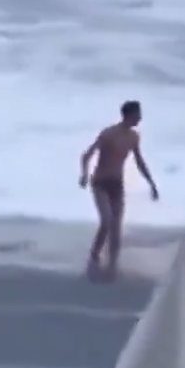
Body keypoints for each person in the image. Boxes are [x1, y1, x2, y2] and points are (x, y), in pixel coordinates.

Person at [79, 100, 159, 281]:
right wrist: (84, 175)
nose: (141, 117)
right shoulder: (109, 134)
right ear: (130, 115)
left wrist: (151, 183)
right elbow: (87, 155)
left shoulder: (134, 137)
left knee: (116, 226)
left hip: (117, 185)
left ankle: (112, 266)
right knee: (106, 220)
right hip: (100, 183)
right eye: (138, 114)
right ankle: (93, 257)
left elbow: (139, 161)